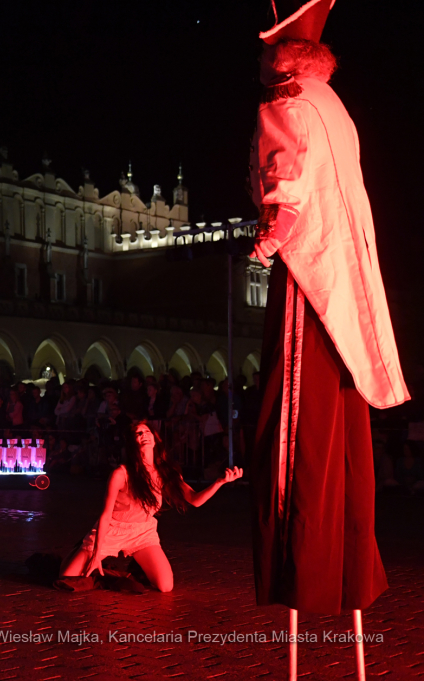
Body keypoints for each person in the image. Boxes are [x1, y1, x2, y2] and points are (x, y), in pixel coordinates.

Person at [248, 0, 408, 617]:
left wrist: (264, 246)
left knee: (293, 433)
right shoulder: (335, 107)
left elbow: (286, 191)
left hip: (307, 282)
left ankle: (304, 575)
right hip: (350, 284)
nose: (260, 61)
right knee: (341, 433)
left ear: (281, 56)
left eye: (265, 50)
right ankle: (348, 575)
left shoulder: (284, 103)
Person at [59, 421, 242, 592]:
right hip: (112, 529)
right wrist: (97, 552)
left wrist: (219, 483)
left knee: (165, 586)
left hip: (142, 532)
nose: (144, 434)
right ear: (133, 443)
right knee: (68, 578)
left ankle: (136, 566)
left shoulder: (165, 472)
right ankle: (82, 549)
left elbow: (195, 499)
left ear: (155, 440)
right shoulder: (121, 474)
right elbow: (105, 515)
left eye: (147, 431)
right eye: (139, 433)